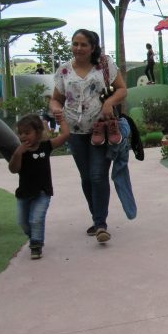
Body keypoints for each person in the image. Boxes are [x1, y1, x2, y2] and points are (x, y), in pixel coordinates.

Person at [50, 29, 127, 244]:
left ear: (93, 47)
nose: (78, 48)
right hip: (74, 133)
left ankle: (101, 224)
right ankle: (97, 217)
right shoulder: (64, 70)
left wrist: (109, 102)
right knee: (86, 178)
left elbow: (122, 89)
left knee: (97, 175)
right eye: (75, 43)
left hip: (101, 130)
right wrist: (56, 109)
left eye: (83, 44)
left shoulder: (105, 65)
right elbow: (56, 99)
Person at [8, 113, 70, 259]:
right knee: (23, 222)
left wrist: (62, 119)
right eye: (20, 133)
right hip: (24, 193)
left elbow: (65, 135)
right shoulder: (20, 151)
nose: (23, 136)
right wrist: (18, 154)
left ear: (38, 132)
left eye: (27, 133)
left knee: (36, 219)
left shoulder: (46, 146)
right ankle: (34, 236)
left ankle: (36, 245)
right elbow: (13, 169)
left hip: (43, 192)